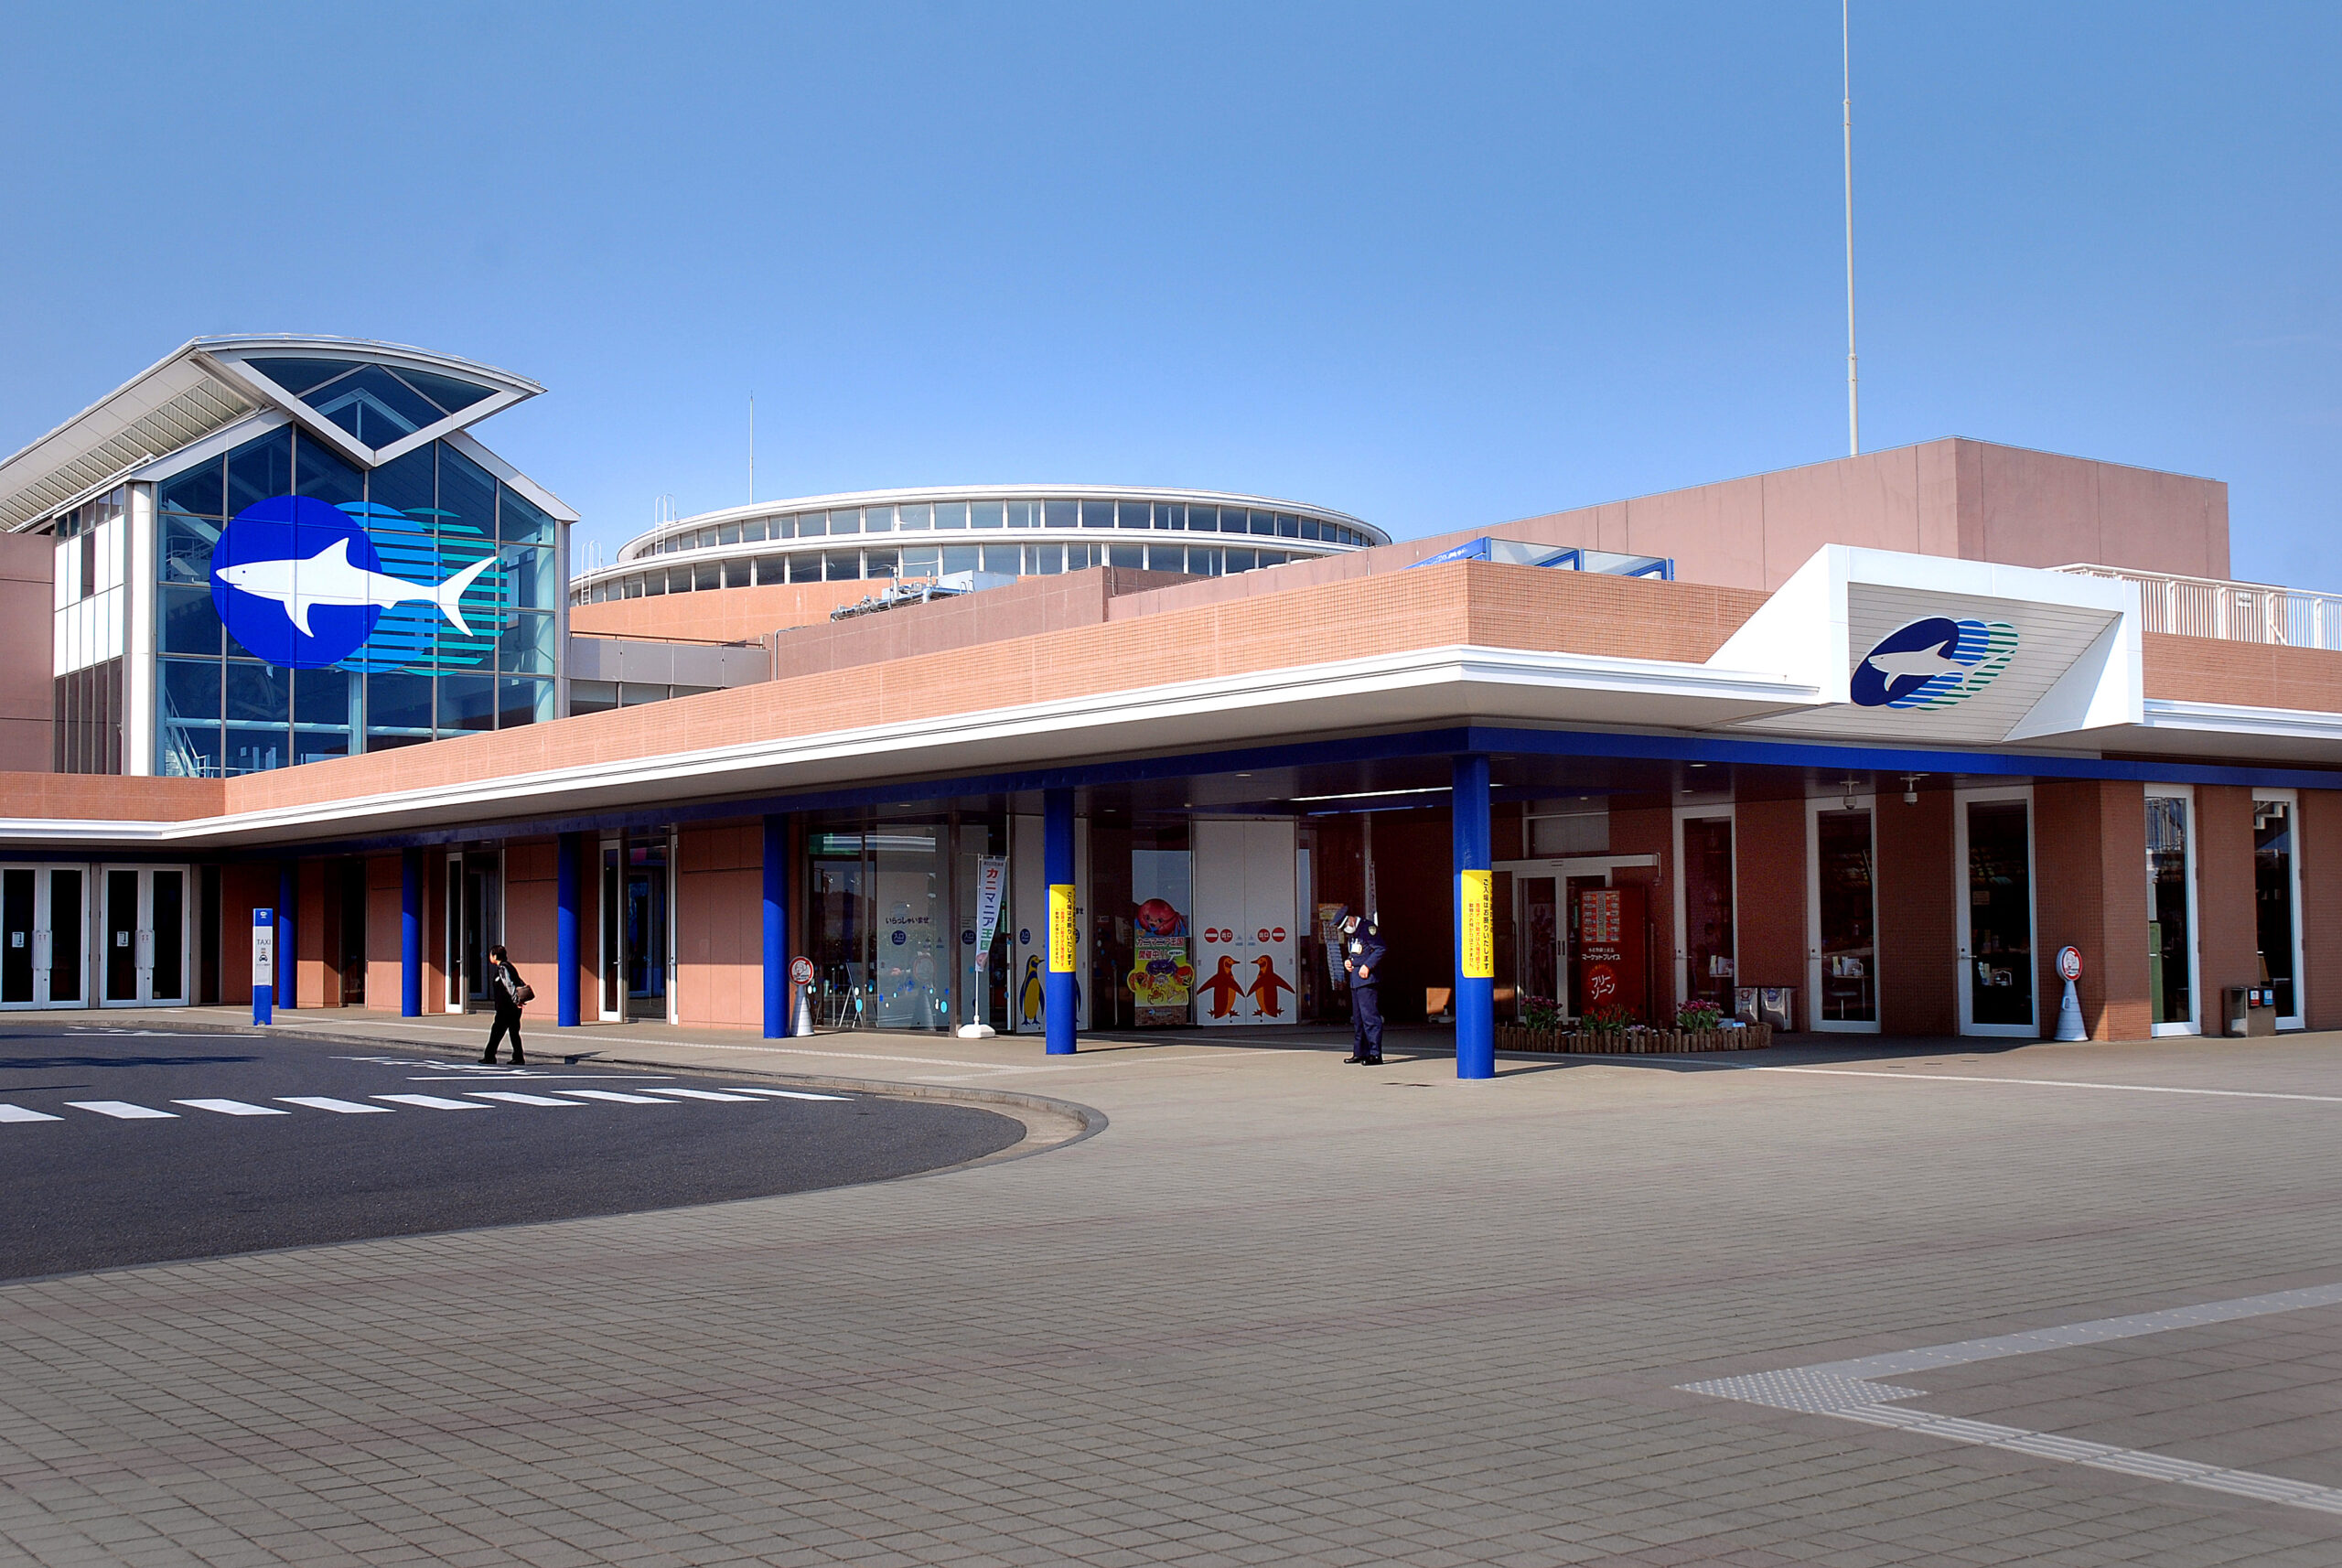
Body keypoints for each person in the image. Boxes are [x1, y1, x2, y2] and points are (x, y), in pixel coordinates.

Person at [1341, 914, 1387, 1065]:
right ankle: (1360, 1052)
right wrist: (1349, 961)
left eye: (1346, 924)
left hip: (1367, 979)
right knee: (1358, 1019)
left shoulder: (1368, 928)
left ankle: (1375, 1054)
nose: (1346, 929)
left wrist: (1367, 965)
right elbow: (1356, 952)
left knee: (1370, 1018)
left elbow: (1380, 949)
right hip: (1356, 979)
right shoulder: (1354, 932)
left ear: (1351, 919)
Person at [481, 944, 528, 1066]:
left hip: (506, 1008)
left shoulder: (502, 968)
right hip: (513, 1008)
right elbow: (520, 982)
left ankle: (489, 1056)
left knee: (496, 1031)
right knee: (513, 1032)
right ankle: (518, 1057)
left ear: (495, 956)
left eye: (491, 955)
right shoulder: (510, 966)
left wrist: (516, 1000)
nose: (490, 957)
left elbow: (510, 985)